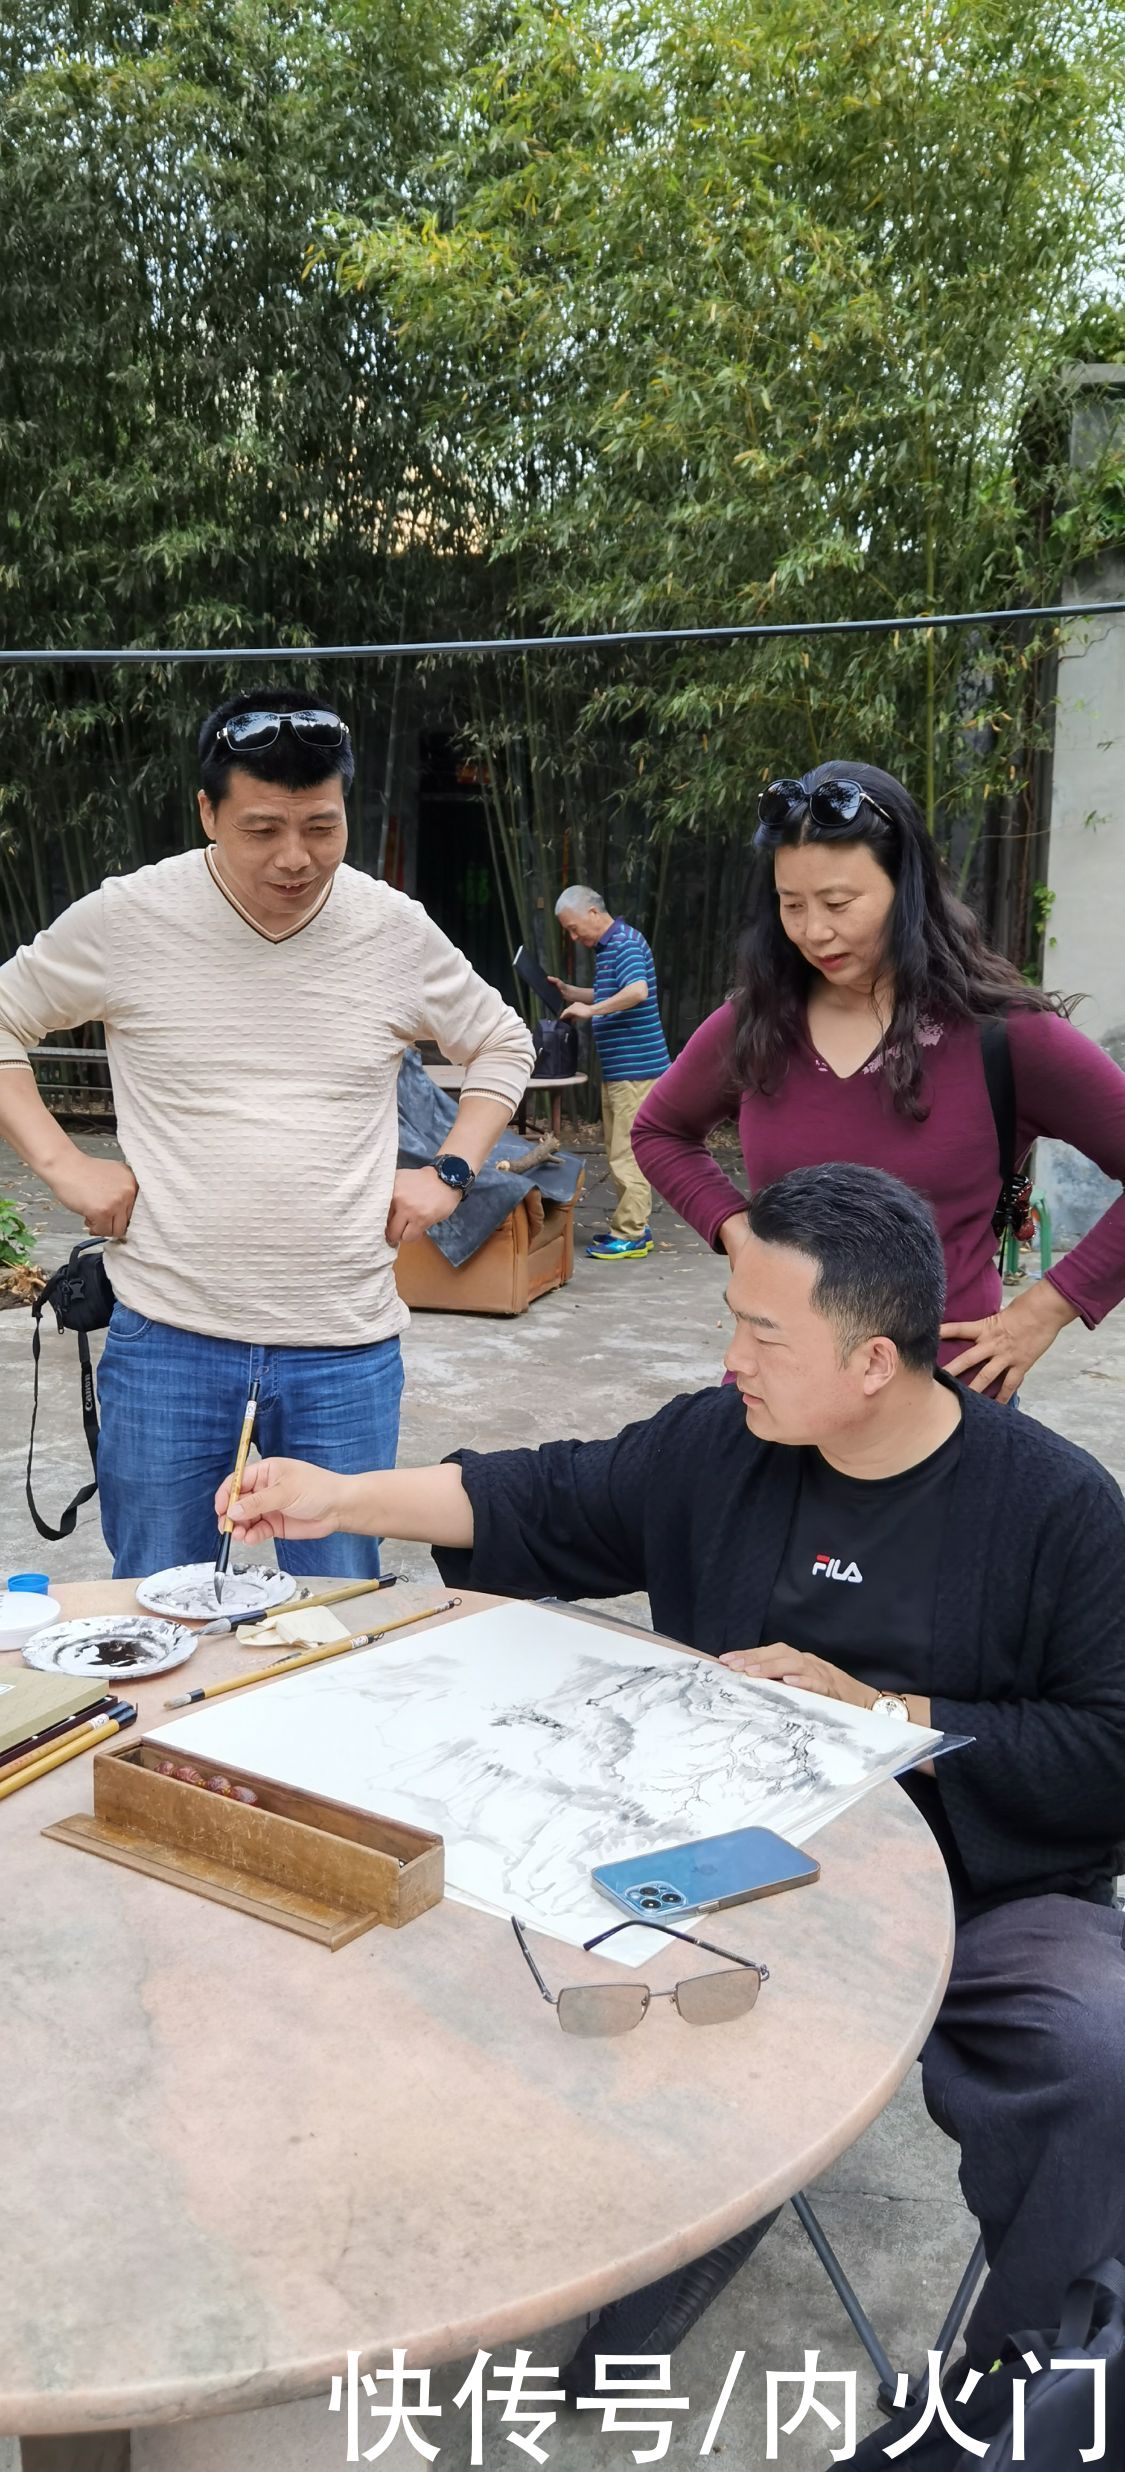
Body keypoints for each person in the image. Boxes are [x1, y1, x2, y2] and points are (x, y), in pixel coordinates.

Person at [217, 1160, 1125, 2392]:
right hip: (717, 1868)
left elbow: (1109, 1749)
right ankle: (645, 2231)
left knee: (1095, 2053)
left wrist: (888, 1712)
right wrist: (339, 1495)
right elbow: (544, 1494)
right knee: (455, 1921)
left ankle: (1029, 2390)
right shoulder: (721, 1446)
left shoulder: (1058, 1510)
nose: (732, 1360)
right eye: (730, 1323)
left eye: (762, 1333)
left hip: (990, 1888)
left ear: (872, 1362)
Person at [0, 687, 534, 1579]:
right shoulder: (130, 918)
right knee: (160, 1605)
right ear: (208, 813)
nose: (295, 857)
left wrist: (449, 1169)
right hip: (168, 1336)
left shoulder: (390, 928)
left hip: (345, 1346)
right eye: (261, 829)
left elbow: (501, 1041)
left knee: (332, 1609)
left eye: (320, 827)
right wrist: (63, 1165)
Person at [630, 762, 1125, 1400]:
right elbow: (660, 1130)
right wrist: (737, 1230)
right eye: (792, 904)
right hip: (772, 1399)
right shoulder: (756, 1023)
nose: (814, 931)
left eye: (838, 903)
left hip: (944, 1411)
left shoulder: (1003, 1036)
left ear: (905, 885)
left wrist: (1046, 1310)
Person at [550, 884, 669, 1262]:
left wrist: (591, 1012)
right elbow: (610, 992)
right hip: (622, 1071)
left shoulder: (625, 943)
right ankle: (634, 1224)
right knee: (618, 1149)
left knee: (626, 1152)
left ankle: (631, 1233)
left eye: (573, 928)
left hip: (637, 1071)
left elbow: (636, 992)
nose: (573, 937)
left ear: (593, 913)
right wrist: (573, 993)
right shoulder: (609, 948)